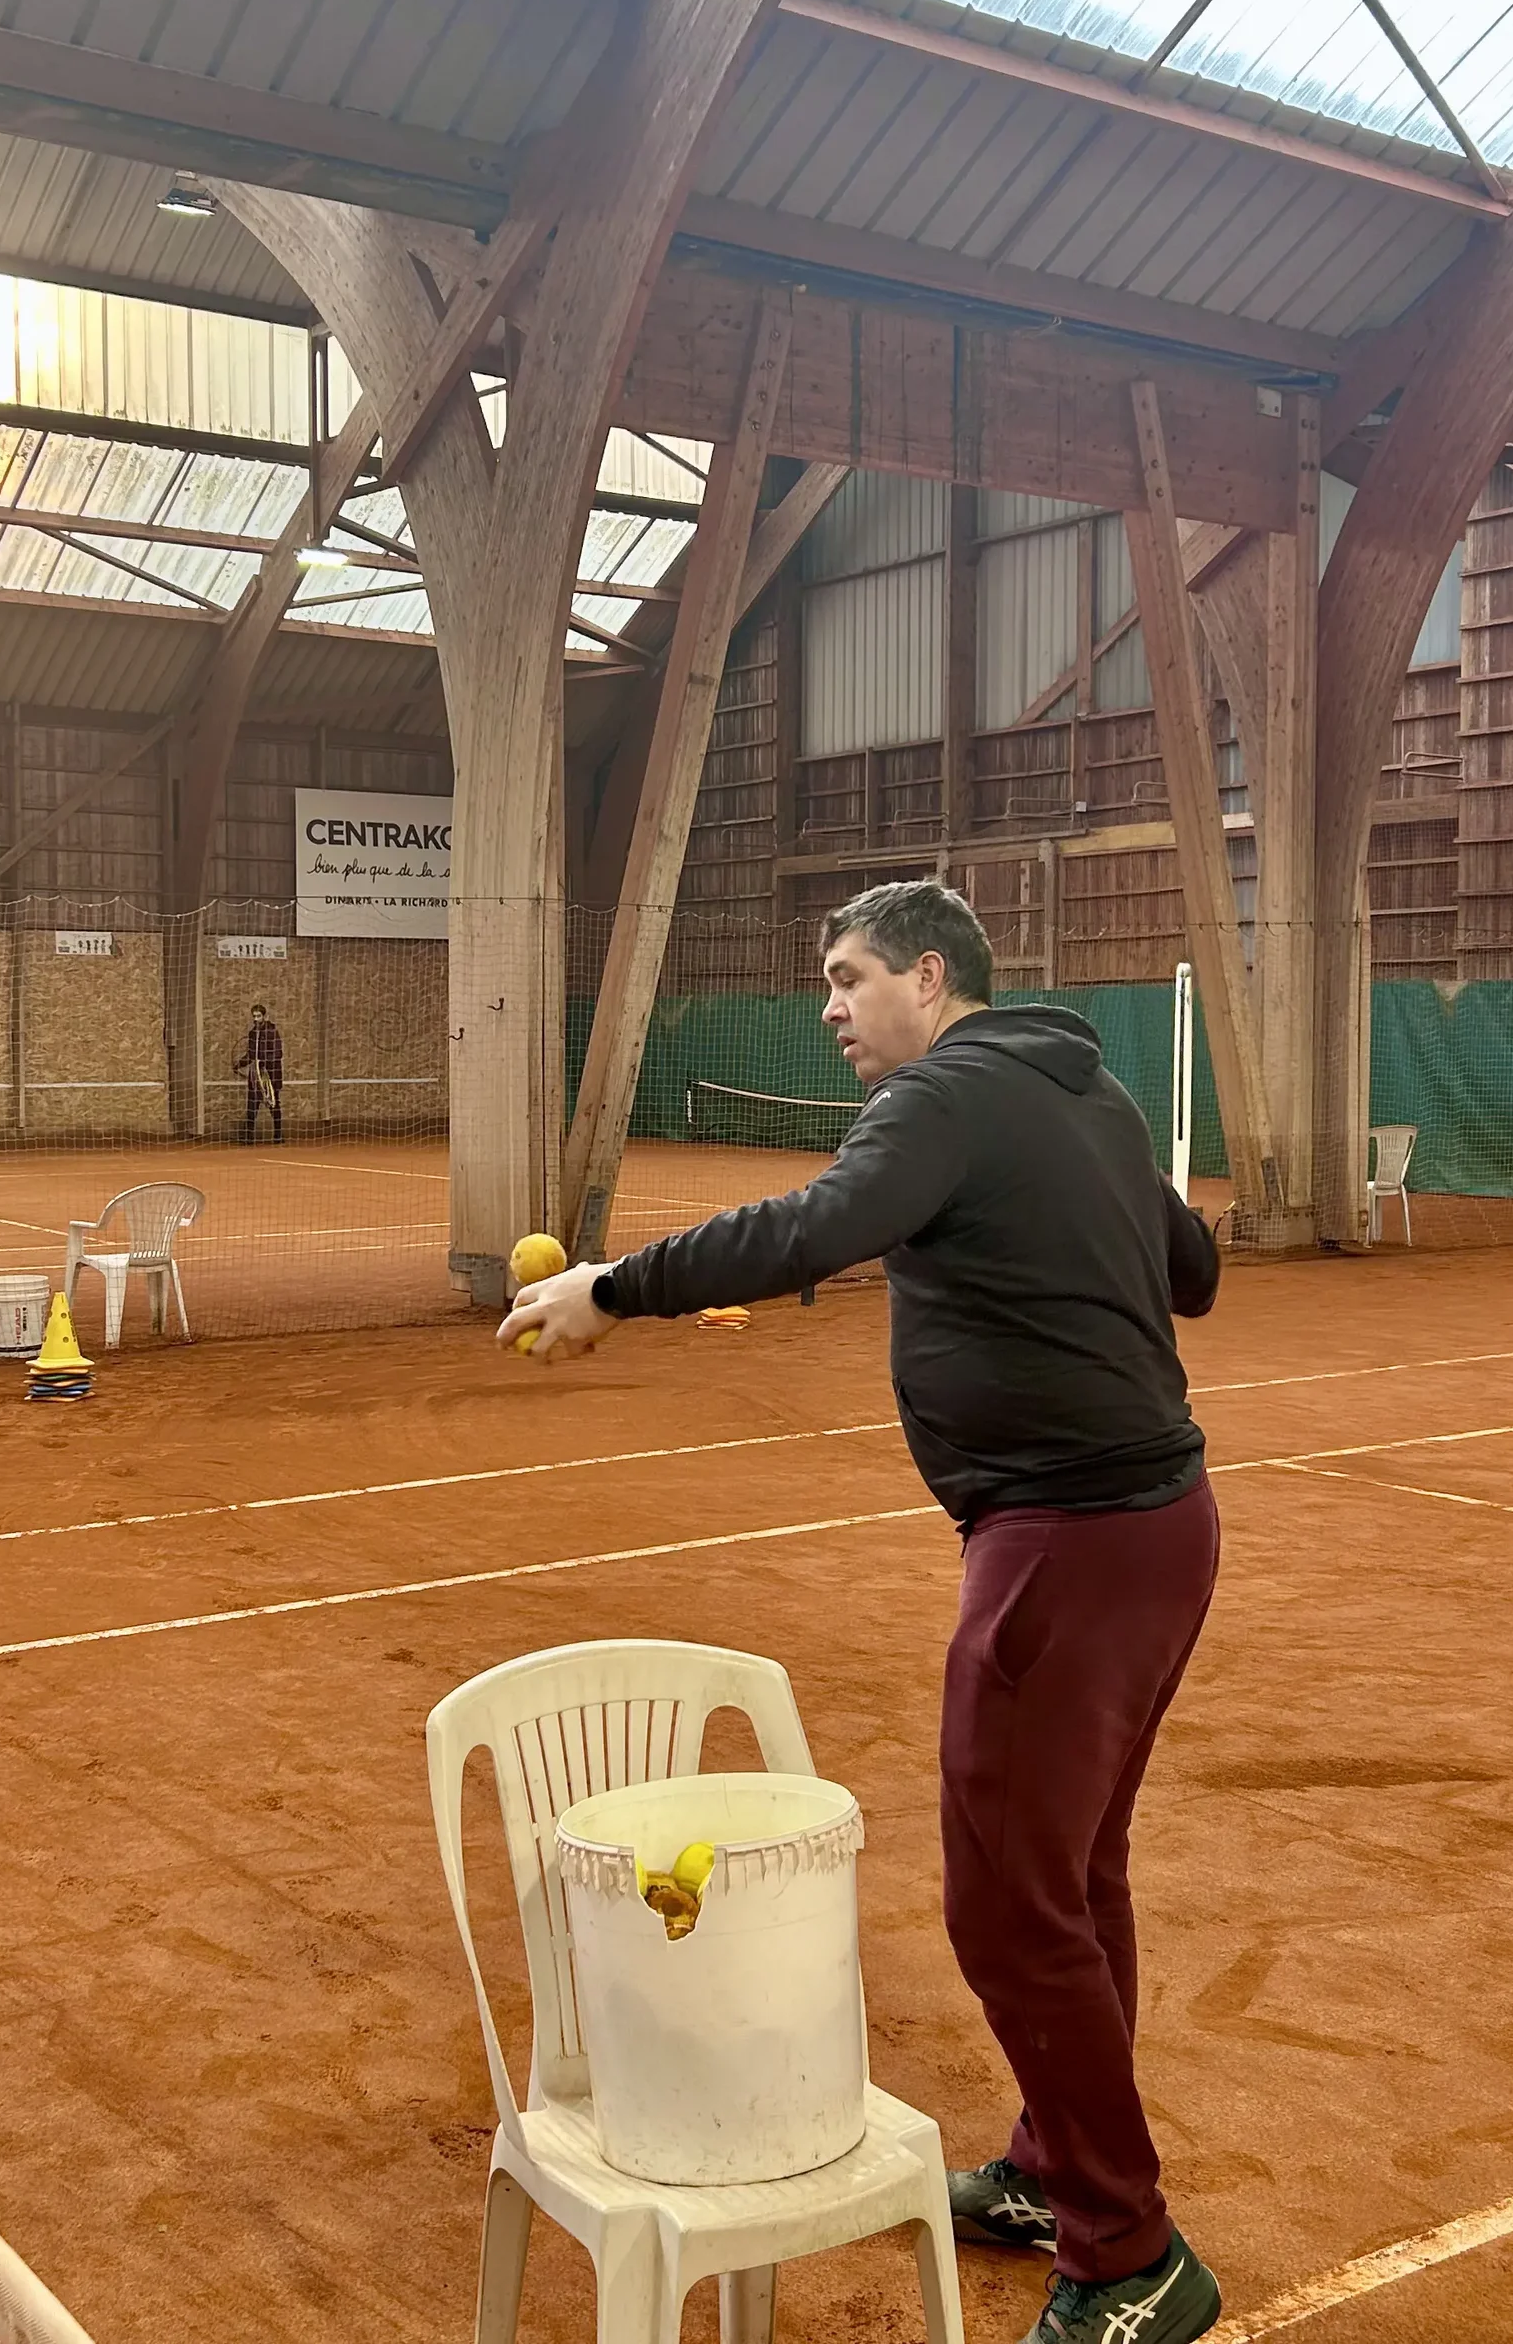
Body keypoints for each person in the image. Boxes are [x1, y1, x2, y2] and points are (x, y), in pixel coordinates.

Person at [500, 880, 1225, 2344]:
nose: (830, 1006)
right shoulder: (1079, 1094)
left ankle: (1131, 2251)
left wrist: (613, 1286)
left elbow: (815, 1228)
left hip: (1064, 1544)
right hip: (1159, 1531)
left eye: (848, 977)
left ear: (931, 975)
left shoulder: (946, 1098)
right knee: (1075, 1879)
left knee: (1010, 1904)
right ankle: (1053, 2168)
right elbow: (1193, 1273)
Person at [235, 1001, 285, 1143]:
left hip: (271, 1074)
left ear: (264, 1016)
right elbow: (251, 1054)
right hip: (255, 1075)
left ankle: (278, 1135)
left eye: (258, 1016)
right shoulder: (252, 1033)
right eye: (254, 1016)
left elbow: (278, 1053)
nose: (256, 1019)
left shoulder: (272, 1031)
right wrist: (240, 1064)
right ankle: (249, 1137)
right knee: (252, 1104)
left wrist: (264, 1061)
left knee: (273, 1103)